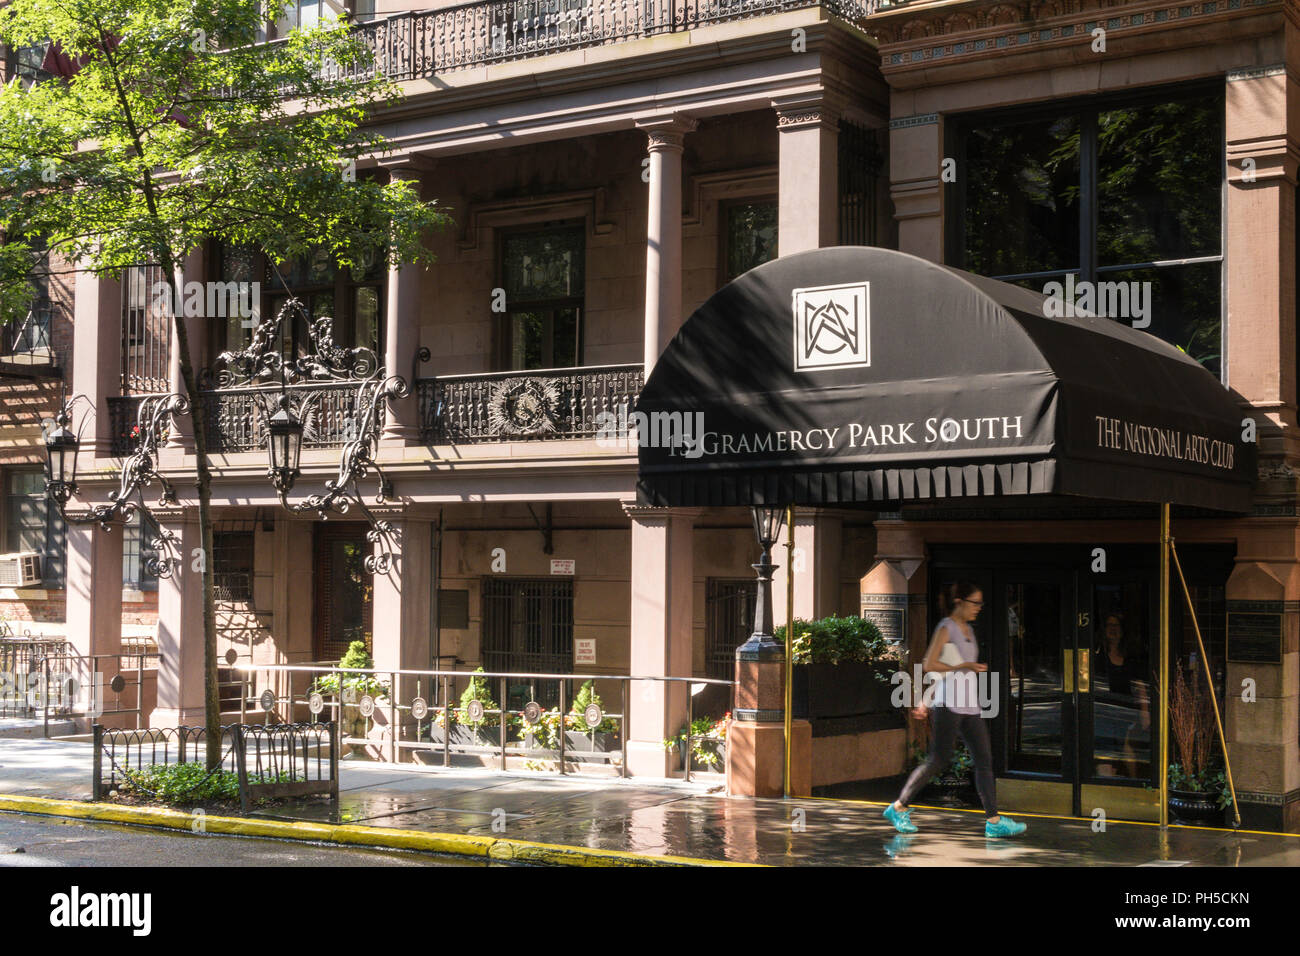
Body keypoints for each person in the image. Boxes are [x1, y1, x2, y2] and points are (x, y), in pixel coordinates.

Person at [883, 581, 1028, 838]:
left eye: (981, 603)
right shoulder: (946, 627)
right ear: (960, 602)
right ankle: (898, 807)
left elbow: (947, 669)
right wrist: (964, 666)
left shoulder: (968, 629)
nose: (979, 608)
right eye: (975, 603)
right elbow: (929, 664)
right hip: (948, 705)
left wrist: (963, 669)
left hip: (970, 706)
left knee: (984, 761)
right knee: (938, 759)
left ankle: (993, 822)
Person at [1093, 612, 1150, 778]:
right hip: (1104, 712)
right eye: (1109, 625)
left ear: (1122, 630)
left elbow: (1140, 685)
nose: (1113, 629)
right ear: (1103, 630)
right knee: (1107, 748)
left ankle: (1132, 783)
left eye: (1116, 625)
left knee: (1124, 747)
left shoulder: (1129, 657)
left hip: (1124, 712)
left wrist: (1145, 711)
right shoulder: (1098, 656)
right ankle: (1109, 782)